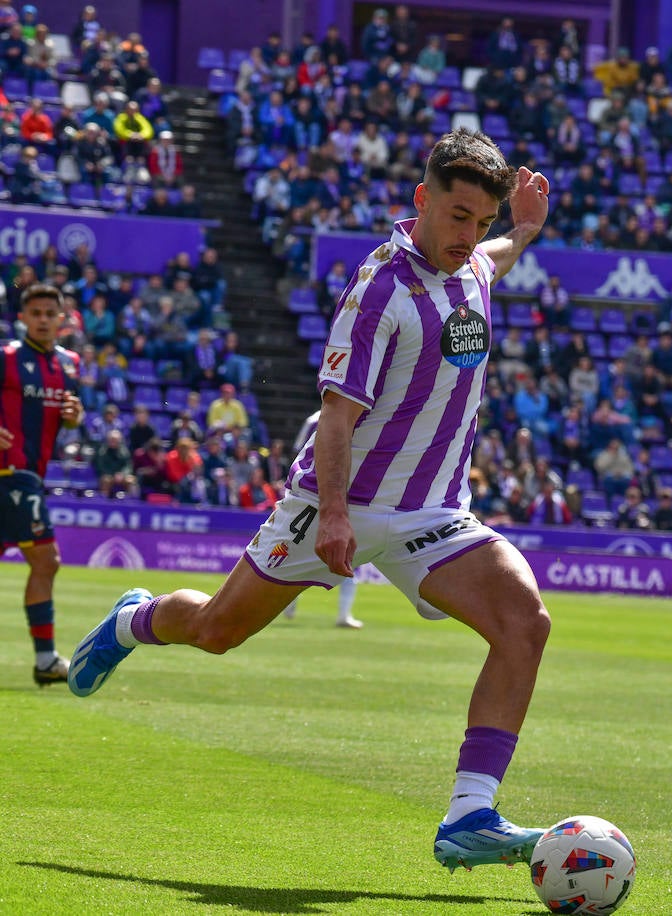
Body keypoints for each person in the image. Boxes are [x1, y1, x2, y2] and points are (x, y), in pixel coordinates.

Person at [68, 128, 555, 872]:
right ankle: (133, 621)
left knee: (525, 622)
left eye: (481, 221)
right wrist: (332, 515)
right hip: (340, 505)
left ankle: (469, 815)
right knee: (217, 631)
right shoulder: (379, 292)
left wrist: (519, 230)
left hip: (435, 514)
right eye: (458, 216)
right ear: (422, 200)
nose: (469, 236)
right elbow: (336, 417)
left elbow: (493, 262)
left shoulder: (472, 267)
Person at [1, 284, 85, 686]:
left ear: (62, 318)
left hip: (29, 474)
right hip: (10, 474)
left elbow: (68, 417)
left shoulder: (69, 365)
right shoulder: (7, 358)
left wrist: (73, 416)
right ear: (23, 318)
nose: (43, 319)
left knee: (44, 562)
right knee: (46, 560)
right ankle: (46, 659)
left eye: (50, 313)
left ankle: (46, 659)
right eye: (35, 313)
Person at [279, 408, 362, 628]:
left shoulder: (357, 414)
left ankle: (344, 614)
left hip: (347, 497)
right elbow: (299, 452)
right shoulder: (315, 420)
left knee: (349, 556)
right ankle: (287, 601)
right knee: (295, 551)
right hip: (314, 495)